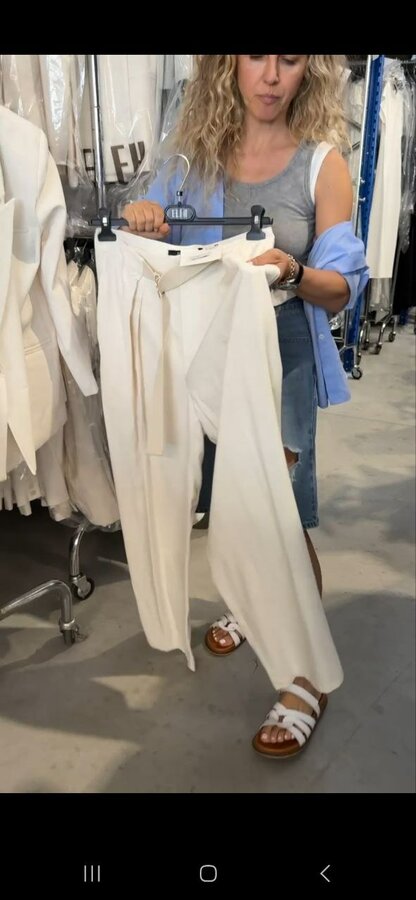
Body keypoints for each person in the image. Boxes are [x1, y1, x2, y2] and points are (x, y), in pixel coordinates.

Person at [122, 55, 368, 758]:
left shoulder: (321, 166)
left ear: (308, 69)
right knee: (226, 500)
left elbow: (341, 287)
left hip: (277, 357)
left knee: (279, 516)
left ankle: (304, 674)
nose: (272, 76)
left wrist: (294, 268)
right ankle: (248, 603)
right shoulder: (190, 161)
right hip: (200, 355)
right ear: (229, 63)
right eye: (258, 55)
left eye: (290, 59)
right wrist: (144, 220)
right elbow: (151, 238)